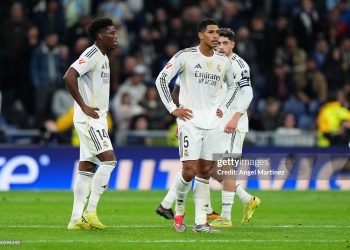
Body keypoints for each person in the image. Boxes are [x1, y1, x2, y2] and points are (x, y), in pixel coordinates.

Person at [156, 28, 260, 228]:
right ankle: (231, 202)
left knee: (223, 167)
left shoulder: (238, 65)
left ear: (233, 45)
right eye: (218, 42)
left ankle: (226, 216)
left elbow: (246, 93)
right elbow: (181, 87)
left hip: (230, 122)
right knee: (203, 167)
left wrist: (235, 117)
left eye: (225, 43)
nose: (220, 46)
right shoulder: (199, 60)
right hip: (208, 121)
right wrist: (182, 120)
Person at [63, 18, 118, 230]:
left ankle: (75, 219)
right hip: (90, 119)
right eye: (111, 33)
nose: (115, 36)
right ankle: (91, 211)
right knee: (109, 161)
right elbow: (69, 76)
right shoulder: (92, 54)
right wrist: (84, 106)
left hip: (97, 118)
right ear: (99, 36)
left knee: (87, 168)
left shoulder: (104, 57)